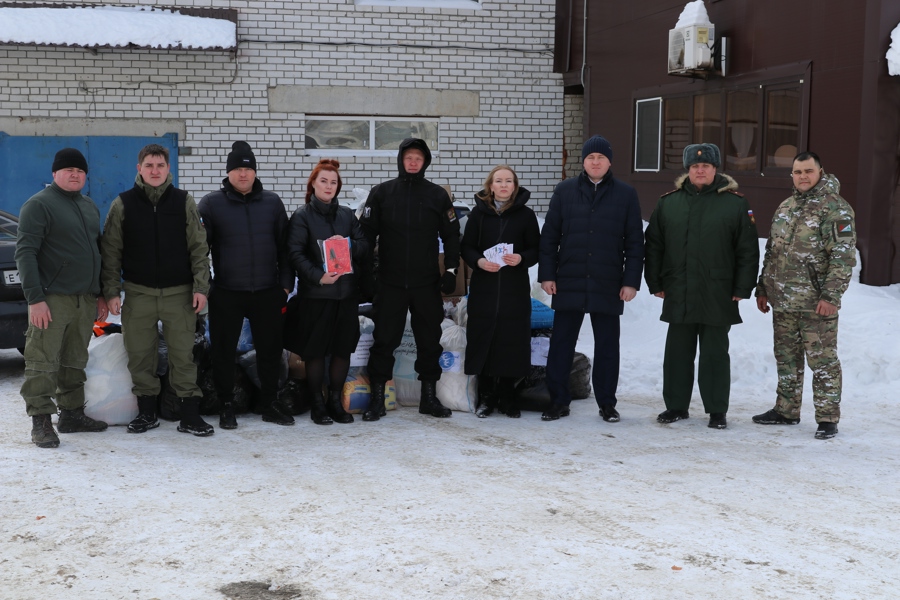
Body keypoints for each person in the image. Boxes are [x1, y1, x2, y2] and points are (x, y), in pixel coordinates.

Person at [644, 143, 759, 430]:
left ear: (715, 168)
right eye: (695, 166)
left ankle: (717, 410)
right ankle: (676, 406)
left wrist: (742, 287)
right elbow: (654, 246)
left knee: (714, 355)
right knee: (677, 353)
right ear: (688, 169)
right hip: (678, 288)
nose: (700, 170)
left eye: (706, 166)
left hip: (718, 291)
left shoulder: (735, 204)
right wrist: (655, 281)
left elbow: (747, 250)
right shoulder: (668, 203)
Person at [101, 144, 212, 437]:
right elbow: (111, 251)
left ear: (168, 169)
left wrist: (201, 287)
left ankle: (190, 414)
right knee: (140, 354)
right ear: (139, 169)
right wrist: (112, 291)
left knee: (182, 355)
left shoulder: (184, 201)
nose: (154, 171)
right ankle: (147, 413)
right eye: (149, 166)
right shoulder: (122, 204)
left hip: (180, 293)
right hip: (138, 293)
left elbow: (199, 248)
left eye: (159, 166)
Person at [538, 135, 644, 422]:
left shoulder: (625, 194)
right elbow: (549, 237)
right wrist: (547, 275)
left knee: (608, 346)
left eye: (600, 157)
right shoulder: (565, 191)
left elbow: (635, 242)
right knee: (562, 344)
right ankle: (558, 401)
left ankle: (607, 403)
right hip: (569, 279)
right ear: (583, 161)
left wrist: (631, 281)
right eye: (590, 157)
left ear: (609, 161)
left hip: (607, 282)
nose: (595, 162)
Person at [753, 151, 856, 440]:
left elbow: (842, 257)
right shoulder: (786, 207)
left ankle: (827, 418)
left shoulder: (836, 209)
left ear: (820, 171)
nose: (803, 177)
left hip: (816, 304)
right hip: (783, 301)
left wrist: (831, 297)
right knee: (786, 358)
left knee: (822, 361)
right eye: (798, 172)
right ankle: (786, 410)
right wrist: (763, 288)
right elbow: (772, 252)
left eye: (808, 171)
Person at [359, 138, 460, 421]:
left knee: (429, 341)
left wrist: (450, 271)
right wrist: (366, 276)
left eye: (418, 158)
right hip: (389, 283)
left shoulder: (437, 196)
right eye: (409, 157)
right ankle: (377, 399)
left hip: (426, 283)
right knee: (384, 341)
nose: (413, 162)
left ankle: (428, 397)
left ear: (425, 162)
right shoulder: (381, 193)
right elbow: (365, 236)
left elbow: (452, 236)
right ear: (401, 160)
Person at [15, 148, 110, 448]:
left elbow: (99, 252)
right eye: (68, 170)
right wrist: (34, 298)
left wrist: (102, 293)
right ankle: (41, 420)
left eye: (80, 171)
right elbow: (25, 253)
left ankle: (71, 414)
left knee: (74, 360)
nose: (75, 174)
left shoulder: (89, 206)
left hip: (84, 299)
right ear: (55, 173)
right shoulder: (39, 205)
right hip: (51, 299)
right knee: (42, 360)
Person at [198, 141, 295, 429]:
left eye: (248, 168)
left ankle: (269, 402)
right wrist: (209, 286)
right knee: (223, 352)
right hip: (227, 292)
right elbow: (198, 250)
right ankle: (226, 404)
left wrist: (286, 286)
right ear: (228, 173)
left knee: (270, 351)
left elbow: (285, 249)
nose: (243, 174)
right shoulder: (211, 204)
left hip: (267, 291)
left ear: (255, 172)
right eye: (238, 169)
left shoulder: (272, 203)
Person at [286, 159, 369, 425]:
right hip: (317, 296)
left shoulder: (346, 214)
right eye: (324, 180)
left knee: (342, 350)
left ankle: (335, 401)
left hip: (346, 296)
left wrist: (347, 245)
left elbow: (364, 244)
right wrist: (319, 276)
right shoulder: (302, 216)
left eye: (333, 182)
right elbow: (295, 254)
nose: (329, 186)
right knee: (316, 352)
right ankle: (317, 404)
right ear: (313, 183)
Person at [462, 165, 540, 418]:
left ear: (515, 186)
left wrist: (522, 257)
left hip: (513, 289)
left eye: (509, 181)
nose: (504, 185)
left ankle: (508, 397)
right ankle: (486, 397)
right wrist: (480, 262)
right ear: (490, 185)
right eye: (499, 181)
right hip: (485, 288)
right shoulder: (478, 214)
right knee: (484, 339)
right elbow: (467, 247)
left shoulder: (526, 216)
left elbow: (536, 249)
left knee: (511, 341)